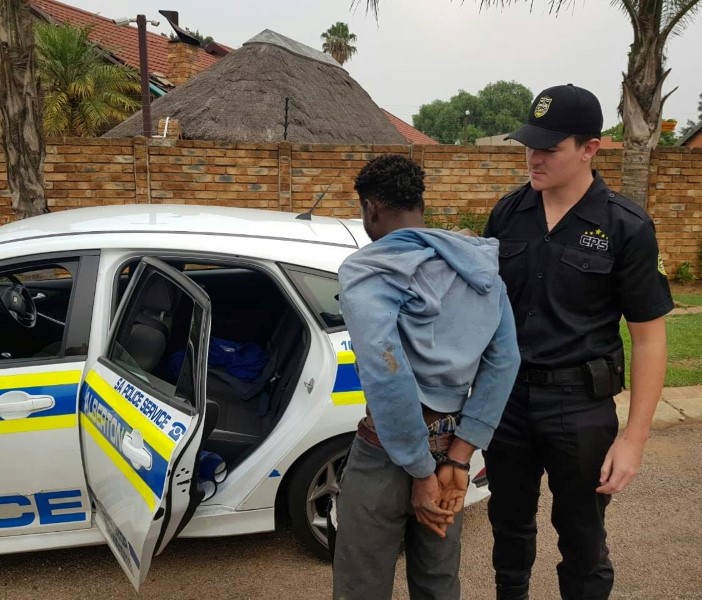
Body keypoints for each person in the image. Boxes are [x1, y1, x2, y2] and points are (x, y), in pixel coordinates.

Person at [482, 84, 673, 600]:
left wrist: (633, 440)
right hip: (508, 403)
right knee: (508, 531)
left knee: (584, 541)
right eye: (530, 145)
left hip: (580, 407)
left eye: (549, 148)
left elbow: (649, 338)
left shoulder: (625, 226)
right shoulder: (507, 214)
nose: (534, 157)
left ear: (590, 148)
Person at [332, 154, 520, 600]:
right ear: (420, 203)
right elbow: (505, 361)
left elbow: (387, 370)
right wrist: (459, 456)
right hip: (451, 449)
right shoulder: (479, 268)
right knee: (438, 583)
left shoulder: (367, 269)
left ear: (371, 208)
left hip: (387, 455)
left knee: (361, 586)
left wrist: (420, 471)